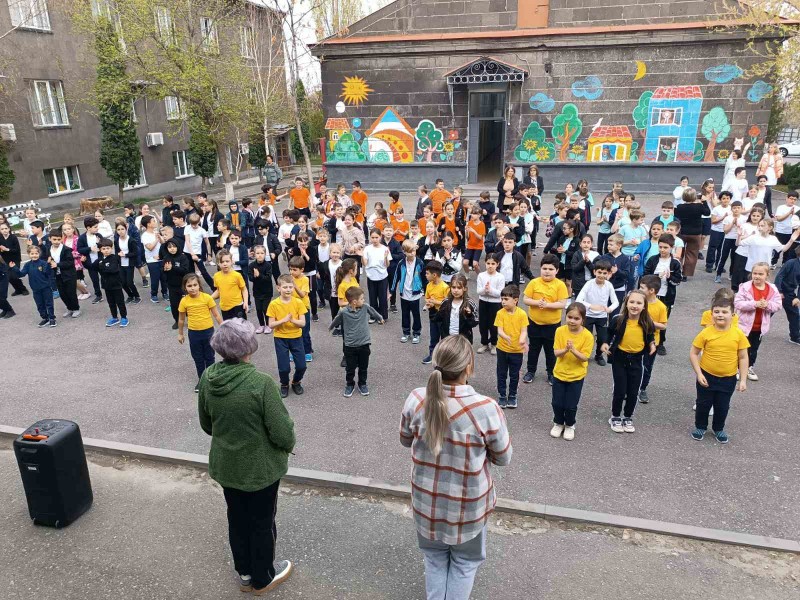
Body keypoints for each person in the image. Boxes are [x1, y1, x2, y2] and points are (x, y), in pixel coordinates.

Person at [400, 334, 511, 600]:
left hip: (426, 503)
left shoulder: (416, 399)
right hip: (468, 508)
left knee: (434, 558)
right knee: (464, 563)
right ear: (468, 367)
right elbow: (503, 457)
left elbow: (405, 440)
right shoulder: (486, 409)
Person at [198, 318, 295, 595]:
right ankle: (263, 578)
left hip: (227, 466)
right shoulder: (261, 383)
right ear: (249, 347)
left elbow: (207, 424)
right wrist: (287, 445)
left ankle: (244, 573)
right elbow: (282, 432)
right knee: (262, 522)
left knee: (237, 519)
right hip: (259, 469)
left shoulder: (208, 377)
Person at [690, 296, 749, 444]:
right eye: (716, 312)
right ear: (711, 314)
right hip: (706, 376)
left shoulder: (738, 334)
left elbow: (743, 357)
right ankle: (700, 427)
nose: (720, 315)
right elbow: (694, 353)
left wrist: (743, 379)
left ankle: (718, 428)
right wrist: (699, 373)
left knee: (722, 406)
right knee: (703, 404)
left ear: (733, 315)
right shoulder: (706, 333)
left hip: (728, 379)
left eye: (724, 312)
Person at [600, 290, 656, 434]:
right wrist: (605, 343)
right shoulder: (618, 319)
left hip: (637, 360)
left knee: (633, 391)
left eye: (639, 303)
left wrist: (652, 344)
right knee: (620, 390)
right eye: (631, 302)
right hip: (620, 359)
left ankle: (628, 417)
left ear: (644, 306)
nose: (634, 305)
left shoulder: (647, 322)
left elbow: (650, 335)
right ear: (626, 303)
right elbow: (609, 332)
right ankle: (615, 416)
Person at [522, 254, 569, 386]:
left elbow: (562, 303)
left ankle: (551, 373)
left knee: (550, 350)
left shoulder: (560, 285)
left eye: (550, 269)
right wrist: (537, 303)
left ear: (557, 270)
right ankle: (530, 371)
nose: (547, 271)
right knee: (533, 349)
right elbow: (525, 299)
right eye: (544, 268)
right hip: (534, 323)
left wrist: (547, 305)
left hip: (552, 325)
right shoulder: (534, 282)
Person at [550, 302, 594, 440]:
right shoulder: (560, 331)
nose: (572, 321)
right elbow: (556, 352)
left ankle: (569, 425)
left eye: (576, 318)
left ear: (583, 320)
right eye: (570, 317)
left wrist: (573, 350)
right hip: (559, 373)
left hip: (576, 376)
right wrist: (565, 349)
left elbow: (585, 357)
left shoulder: (587, 336)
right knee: (557, 403)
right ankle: (558, 422)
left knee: (570, 405)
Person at [330, 286, 384, 397]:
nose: (364, 300)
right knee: (350, 368)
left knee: (363, 367)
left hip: (364, 343)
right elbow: (336, 319)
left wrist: (380, 318)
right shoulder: (344, 312)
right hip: (350, 345)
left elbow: (373, 312)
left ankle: (362, 384)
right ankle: (350, 384)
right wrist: (330, 327)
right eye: (362, 299)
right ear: (354, 302)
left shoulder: (365, 307)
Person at [734, 262, 781, 382]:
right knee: (740, 348)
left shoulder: (772, 289)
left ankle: (749, 367)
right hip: (743, 325)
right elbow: (738, 303)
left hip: (760, 326)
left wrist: (767, 305)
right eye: (755, 273)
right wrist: (754, 304)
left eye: (760, 274)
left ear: (767, 275)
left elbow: (778, 305)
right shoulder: (745, 287)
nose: (757, 276)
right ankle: (736, 368)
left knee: (753, 349)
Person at [178, 273, 223, 389]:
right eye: (189, 286)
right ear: (185, 287)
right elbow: (181, 319)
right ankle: (202, 380)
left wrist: (223, 328)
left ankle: (211, 379)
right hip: (194, 334)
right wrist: (180, 334)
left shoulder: (207, 298)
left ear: (199, 285)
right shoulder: (184, 301)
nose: (192, 288)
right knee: (198, 358)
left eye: (195, 285)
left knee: (210, 357)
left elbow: (216, 315)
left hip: (208, 332)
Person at [267, 274, 308, 398]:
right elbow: (271, 325)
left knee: (302, 366)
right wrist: (283, 320)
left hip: (296, 337)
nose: (288, 290)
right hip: (281, 338)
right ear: (278, 288)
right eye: (285, 287)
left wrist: (292, 320)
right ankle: (284, 384)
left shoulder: (298, 302)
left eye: (290, 287)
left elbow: (303, 323)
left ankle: (296, 382)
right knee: (284, 368)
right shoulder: (274, 304)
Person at [576, 259, 618, 366]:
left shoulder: (609, 285)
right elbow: (578, 299)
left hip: (602, 316)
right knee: (587, 336)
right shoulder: (589, 284)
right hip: (588, 315)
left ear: (609, 274)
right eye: (599, 272)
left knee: (602, 338)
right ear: (594, 272)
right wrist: (591, 306)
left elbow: (616, 302)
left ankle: (598, 355)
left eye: (604, 273)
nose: (601, 275)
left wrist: (610, 309)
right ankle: (584, 354)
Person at [636, 275, 669, 404]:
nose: (639, 289)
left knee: (647, 366)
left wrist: (649, 322)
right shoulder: (637, 302)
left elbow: (663, 325)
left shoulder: (661, 306)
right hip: (635, 339)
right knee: (633, 364)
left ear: (652, 291)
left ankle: (642, 388)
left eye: (642, 288)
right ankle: (630, 387)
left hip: (652, 342)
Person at [9, 245, 55, 327]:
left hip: (46, 288)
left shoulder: (43, 263)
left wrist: (48, 264)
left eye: (36, 253)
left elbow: (48, 273)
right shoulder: (27, 265)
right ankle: (45, 318)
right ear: (29, 254)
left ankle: (52, 318)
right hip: (35, 289)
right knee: (40, 305)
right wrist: (14, 268)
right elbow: (21, 274)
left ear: (39, 254)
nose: (34, 255)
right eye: (32, 253)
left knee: (49, 303)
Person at [393, 240, 424, 345]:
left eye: (413, 251)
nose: (412, 254)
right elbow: (396, 277)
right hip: (404, 294)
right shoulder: (401, 263)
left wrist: (425, 290)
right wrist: (391, 290)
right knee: (405, 314)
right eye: (409, 252)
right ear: (404, 252)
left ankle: (416, 333)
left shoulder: (419, 263)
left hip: (415, 294)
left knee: (416, 314)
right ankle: (406, 332)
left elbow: (424, 277)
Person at [674, 188, 710, 278]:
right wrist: (704, 202)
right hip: (695, 233)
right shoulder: (699, 206)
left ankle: (678, 270)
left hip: (682, 232)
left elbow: (676, 217)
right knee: (692, 254)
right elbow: (707, 213)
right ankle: (686, 273)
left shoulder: (679, 207)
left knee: (680, 252)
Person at [434, 274, 477, 344]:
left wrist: (469, 315)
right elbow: (437, 319)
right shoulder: (445, 302)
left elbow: (475, 323)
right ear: (450, 287)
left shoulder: (469, 303)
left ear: (465, 288)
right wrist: (432, 309)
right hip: (447, 339)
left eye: (459, 288)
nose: (456, 290)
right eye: (453, 287)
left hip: (463, 341)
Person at [47, 228, 81, 318]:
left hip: (69, 275)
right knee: (62, 294)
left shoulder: (66, 249)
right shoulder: (48, 249)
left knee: (71, 293)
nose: (57, 241)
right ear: (50, 239)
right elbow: (47, 260)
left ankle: (76, 308)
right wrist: (48, 262)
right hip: (57, 275)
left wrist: (57, 265)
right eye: (54, 239)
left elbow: (70, 262)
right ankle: (69, 308)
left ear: (62, 239)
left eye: (59, 239)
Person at [97, 238, 129, 328]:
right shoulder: (100, 259)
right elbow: (92, 267)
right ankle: (114, 317)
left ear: (111, 248)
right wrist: (84, 262)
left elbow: (113, 269)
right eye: (103, 249)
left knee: (120, 302)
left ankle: (124, 317)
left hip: (116, 285)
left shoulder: (114, 258)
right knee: (111, 302)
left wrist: (102, 267)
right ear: (100, 250)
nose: (106, 250)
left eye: (108, 248)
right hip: (106, 285)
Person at [476, 255, 505, 354]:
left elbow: (500, 293)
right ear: (485, 263)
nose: (490, 266)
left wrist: (490, 290)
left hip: (495, 304)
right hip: (483, 302)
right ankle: (484, 343)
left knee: (494, 325)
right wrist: (485, 289)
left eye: (493, 263)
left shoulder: (500, 277)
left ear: (497, 264)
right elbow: (478, 291)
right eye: (488, 263)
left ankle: (494, 344)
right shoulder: (481, 275)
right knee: (483, 324)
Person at [422, 260, 449, 365]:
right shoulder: (429, 285)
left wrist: (435, 302)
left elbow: (447, 303)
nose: (425, 275)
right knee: (433, 335)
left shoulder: (445, 287)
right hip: (433, 313)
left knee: (444, 337)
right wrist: (429, 302)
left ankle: (444, 357)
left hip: (443, 315)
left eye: (427, 273)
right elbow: (427, 297)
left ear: (434, 275)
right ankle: (432, 354)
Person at [288, 256, 313, 362]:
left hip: (304, 309)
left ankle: (307, 352)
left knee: (304, 331)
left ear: (302, 269)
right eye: (290, 269)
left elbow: (302, 294)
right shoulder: (289, 279)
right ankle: (295, 352)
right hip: (292, 308)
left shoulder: (305, 279)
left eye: (294, 270)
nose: (292, 272)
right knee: (294, 331)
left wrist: (294, 284)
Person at [162, 239, 191, 330]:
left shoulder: (183, 257)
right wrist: (165, 270)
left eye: (174, 246)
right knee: (174, 305)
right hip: (172, 286)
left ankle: (191, 320)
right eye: (169, 247)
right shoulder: (166, 258)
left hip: (183, 286)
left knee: (187, 304)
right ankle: (177, 320)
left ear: (178, 246)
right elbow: (163, 270)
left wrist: (173, 268)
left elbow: (185, 270)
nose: (172, 249)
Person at [715, 199, 745, 284]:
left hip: (737, 240)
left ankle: (731, 274)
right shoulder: (728, 218)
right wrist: (732, 223)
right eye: (734, 208)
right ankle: (718, 274)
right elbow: (725, 231)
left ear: (741, 209)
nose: (736, 210)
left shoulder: (744, 219)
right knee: (723, 257)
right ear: (731, 209)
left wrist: (738, 225)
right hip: (728, 239)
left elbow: (744, 230)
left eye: (738, 208)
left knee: (734, 258)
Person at [775, 246, 800, 344]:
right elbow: (779, 276)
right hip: (778, 292)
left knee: (795, 314)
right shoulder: (790, 263)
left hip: (790, 293)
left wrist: (798, 298)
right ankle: (755, 331)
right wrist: (779, 291)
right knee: (767, 312)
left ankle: (795, 337)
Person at [113, 222, 141, 305]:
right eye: (118, 229)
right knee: (122, 283)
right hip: (121, 264)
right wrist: (117, 256)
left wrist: (125, 255)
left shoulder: (131, 240)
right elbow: (117, 252)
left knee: (129, 282)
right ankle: (130, 295)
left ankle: (137, 296)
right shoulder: (116, 240)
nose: (120, 231)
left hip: (129, 264)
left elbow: (135, 253)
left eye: (122, 229)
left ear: (126, 229)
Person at [249, 245, 274, 335]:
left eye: (262, 253)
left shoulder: (268, 265)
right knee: (259, 309)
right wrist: (254, 276)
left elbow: (268, 278)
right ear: (254, 254)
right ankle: (261, 325)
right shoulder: (252, 265)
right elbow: (250, 278)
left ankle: (268, 325)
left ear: (265, 254)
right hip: (257, 291)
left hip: (267, 291)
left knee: (265, 309)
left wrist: (259, 275)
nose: (260, 255)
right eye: (257, 253)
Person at [0, 223, 28, 296]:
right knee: (9, 277)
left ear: (9, 229)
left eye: (6, 228)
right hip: (6, 260)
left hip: (15, 259)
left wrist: (7, 249)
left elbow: (17, 250)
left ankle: (23, 289)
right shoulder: (0, 239)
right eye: (2, 229)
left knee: (15, 276)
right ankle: (17, 290)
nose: (4, 230)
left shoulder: (13, 237)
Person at [706, 190, 731, 273]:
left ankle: (719, 265)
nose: (726, 200)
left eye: (727, 198)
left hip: (726, 231)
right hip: (716, 231)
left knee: (722, 249)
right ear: (720, 199)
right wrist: (723, 217)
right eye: (724, 198)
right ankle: (709, 265)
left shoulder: (731, 209)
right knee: (712, 248)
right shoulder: (716, 209)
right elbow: (713, 221)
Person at [773, 190, 800, 266]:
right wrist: (789, 213)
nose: (792, 201)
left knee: (788, 249)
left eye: (795, 199)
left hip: (792, 232)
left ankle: (784, 263)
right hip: (781, 231)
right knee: (777, 248)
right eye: (791, 198)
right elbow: (779, 219)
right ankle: (773, 262)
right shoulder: (781, 207)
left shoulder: (798, 208)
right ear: (786, 198)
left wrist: (794, 215)